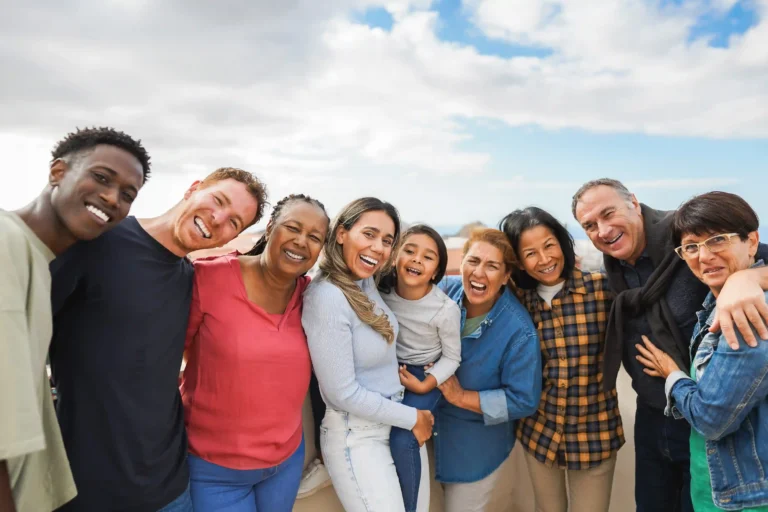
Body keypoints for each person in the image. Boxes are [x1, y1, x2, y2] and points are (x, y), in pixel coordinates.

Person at [49, 167, 267, 512]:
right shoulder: (97, 241)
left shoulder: (190, 281)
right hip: (85, 488)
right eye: (218, 200)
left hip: (170, 490)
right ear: (193, 188)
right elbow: (22, 340)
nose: (218, 218)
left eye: (234, 222)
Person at [572, 178, 768, 512]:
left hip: (705, 419)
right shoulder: (612, 265)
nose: (603, 230)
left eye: (609, 214)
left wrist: (748, 278)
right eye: (590, 225)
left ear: (634, 202)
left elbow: (748, 255)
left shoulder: (688, 235)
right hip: (653, 414)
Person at [1, 126, 149, 512]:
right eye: (101, 178)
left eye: (128, 195)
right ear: (58, 172)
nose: (112, 198)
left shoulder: (38, 260)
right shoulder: (6, 245)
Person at [181, 194, 329, 511]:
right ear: (270, 227)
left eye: (315, 238)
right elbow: (167, 357)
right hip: (213, 469)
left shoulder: (313, 297)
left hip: (285, 465)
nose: (302, 242)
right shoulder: (209, 278)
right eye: (293, 227)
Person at [636, 191, 768, 512]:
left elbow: (710, 420)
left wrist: (673, 376)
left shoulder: (748, 313)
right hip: (716, 487)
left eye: (717, 240)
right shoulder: (716, 302)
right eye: (691, 247)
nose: (703, 256)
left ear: (751, 242)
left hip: (744, 500)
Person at [301, 197, 435, 512]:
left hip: (395, 425)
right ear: (341, 233)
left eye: (387, 241)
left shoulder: (365, 282)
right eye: (369, 234)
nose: (378, 247)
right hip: (357, 439)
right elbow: (341, 393)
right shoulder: (327, 297)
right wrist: (412, 417)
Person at [500, 207, 624, 512]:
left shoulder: (603, 289)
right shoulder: (517, 302)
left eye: (549, 245)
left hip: (596, 434)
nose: (544, 259)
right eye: (530, 253)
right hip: (539, 434)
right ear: (518, 260)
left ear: (563, 243)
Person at [435, 228, 541, 512]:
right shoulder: (444, 291)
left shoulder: (520, 331)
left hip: (475, 452)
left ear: (506, 276)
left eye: (492, 266)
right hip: (427, 438)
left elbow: (523, 400)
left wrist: (460, 397)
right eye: (473, 261)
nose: (479, 273)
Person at [379, 224, 462, 512]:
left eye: (428, 257)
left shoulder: (444, 309)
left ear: (437, 271)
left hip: (425, 374)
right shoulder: (381, 290)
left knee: (403, 438)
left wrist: (426, 383)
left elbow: (453, 358)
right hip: (387, 368)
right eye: (410, 251)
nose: (416, 259)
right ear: (394, 256)